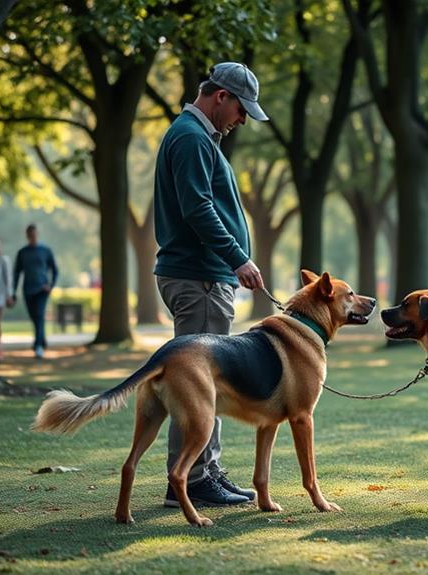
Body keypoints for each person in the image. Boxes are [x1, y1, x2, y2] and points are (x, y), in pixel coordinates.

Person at [153, 62, 269, 508]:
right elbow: (198, 208)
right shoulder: (191, 137)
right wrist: (237, 258)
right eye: (242, 109)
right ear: (220, 96)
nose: (242, 120)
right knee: (198, 383)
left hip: (204, 274)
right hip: (198, 276)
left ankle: (204, 469)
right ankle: (192, 477)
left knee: (208, 381)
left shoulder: (200, 137)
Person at [13, 224, 58, 359]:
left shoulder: (46, 250)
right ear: (27, 236)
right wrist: (13, 292)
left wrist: (51, 285)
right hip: (28, 289)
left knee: (39, 316)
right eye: (30, 234)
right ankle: (42, 341)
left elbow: (55, 270)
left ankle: (38, 346)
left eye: (34, 234)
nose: (32, 236)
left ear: (37, 234)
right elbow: (17, 272)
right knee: (34, 318)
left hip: (42, 290)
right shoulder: (23, 252)